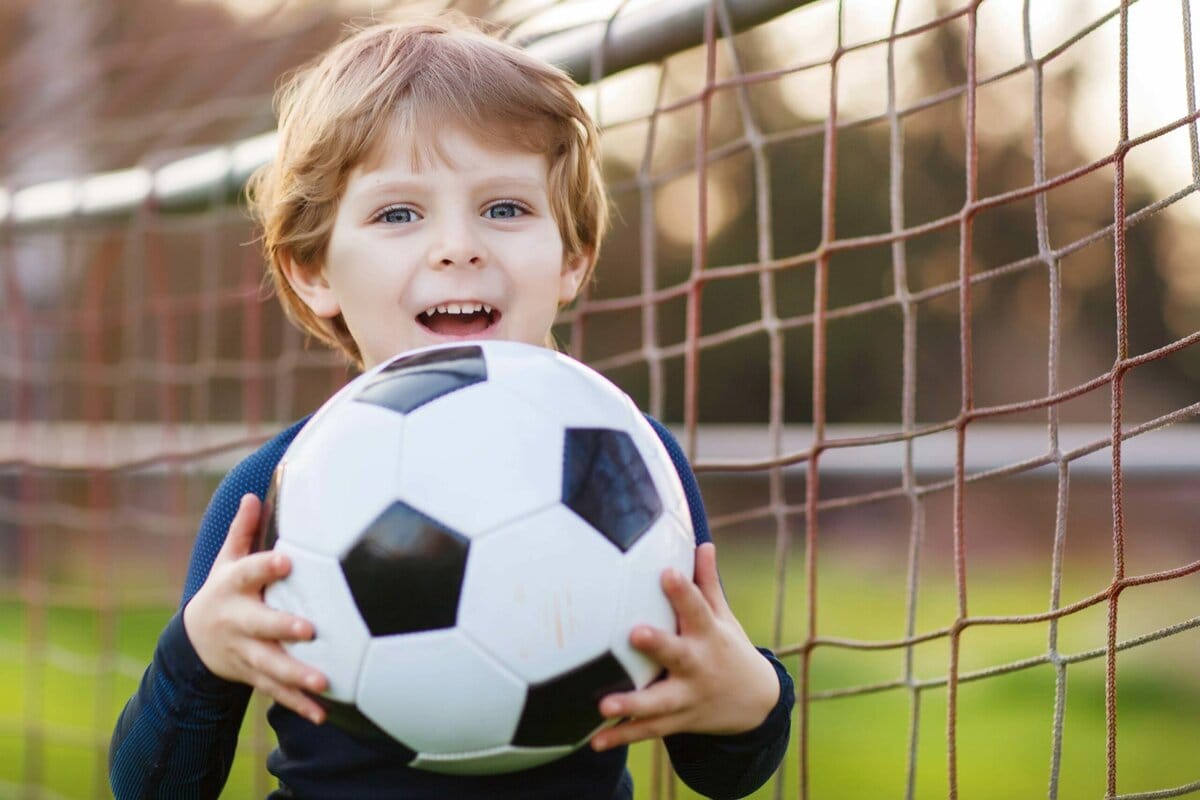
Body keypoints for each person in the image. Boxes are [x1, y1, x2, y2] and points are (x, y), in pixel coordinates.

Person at [109, 14, 794, 800]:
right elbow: (150, 788)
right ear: (312, 270)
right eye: (399, 214)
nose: (457, 246)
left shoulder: (630, 464)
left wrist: (752, 700)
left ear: (572, 257)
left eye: (504, 208)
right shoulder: (272, 491)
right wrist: (199, 652)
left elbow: (720, 768)